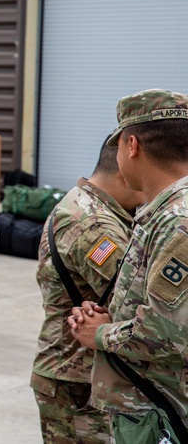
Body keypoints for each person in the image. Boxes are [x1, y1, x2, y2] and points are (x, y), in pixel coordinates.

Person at [68, 90, 188, 430]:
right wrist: (114, 317)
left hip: (162, 411)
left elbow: (165, 332)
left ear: (131, 145)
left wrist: (102, 333)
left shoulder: (178, 218)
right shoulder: (166, 211)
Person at [31, 138, 145, 443]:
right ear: (126, 171)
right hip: (78, 382)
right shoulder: (93, 225)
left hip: (80, 377)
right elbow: (138, 302)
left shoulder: (89, 206)